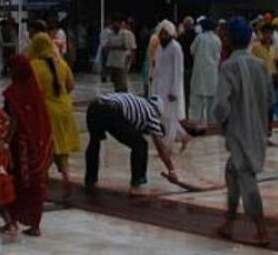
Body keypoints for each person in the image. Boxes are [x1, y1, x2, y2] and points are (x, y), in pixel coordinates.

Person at [212, 17, 272, 248]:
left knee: (246, 178)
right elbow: (269, 99)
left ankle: (261, 229)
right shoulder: (259, 65)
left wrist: (223, 122)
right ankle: (228, 223)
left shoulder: (229, 66)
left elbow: (220, 105)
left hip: (238, 131)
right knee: (232, 173)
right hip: (256, 130)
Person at [82, 92, 178, 193]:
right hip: (111, 110)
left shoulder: (139, 103)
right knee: (140, 144)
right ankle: (137, 182)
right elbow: (161, 149)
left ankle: (90, 180)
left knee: (94, 143)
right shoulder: (152, 114)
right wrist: (172, 170)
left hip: (94, 106)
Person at [3, 54, 52, 236]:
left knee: (15, 181)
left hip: (20, 146)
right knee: (34, 184)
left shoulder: (15, 93)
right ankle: (33, 223)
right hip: (36, 144)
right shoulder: (34, 91)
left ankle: (13, 219)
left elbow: (14, 122)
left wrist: (4, 144)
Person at [28, 32, 79, 196]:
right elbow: (71, 85)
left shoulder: (33, 65)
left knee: (46, 147)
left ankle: (42, 182)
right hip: (65, 108)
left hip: (46, 111)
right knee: (61, 148)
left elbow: (31, 91)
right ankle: (67, 176)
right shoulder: (61, 64)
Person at [149, 20, 187, 149]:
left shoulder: (176, 47)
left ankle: (167, 145)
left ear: (171, 34)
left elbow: (178, 70)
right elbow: (157, 66)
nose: (163, 36)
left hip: (171, 88)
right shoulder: (160, 47)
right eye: (161, 33)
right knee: (163, 115)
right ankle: (184, 136)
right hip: (160, 86)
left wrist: (174, 91)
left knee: (171, 116)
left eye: (166, 34)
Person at [189, 17, 221, 124]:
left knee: (197, 102)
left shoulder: (200, 38)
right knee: (212, 101)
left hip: (199, 72)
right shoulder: (217, 39)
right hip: (212, 73)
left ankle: (196, 122)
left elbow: (192, 50)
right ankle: (212, 124)